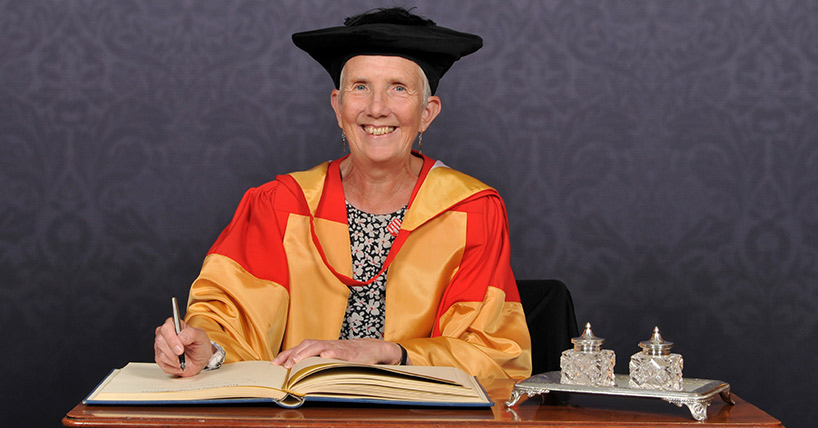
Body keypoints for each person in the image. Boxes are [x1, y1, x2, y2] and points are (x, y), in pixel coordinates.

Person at [153, 7, 531, 381]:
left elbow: (491, 355)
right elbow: (229, 321)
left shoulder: (470, 210)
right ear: (338, 105)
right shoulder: (282, 203)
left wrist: (388, 352)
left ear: (427, 112)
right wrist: (209, 348)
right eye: (360, 87)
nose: (376, 108)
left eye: (398, 88)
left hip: (420, 421)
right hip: (297, 416)